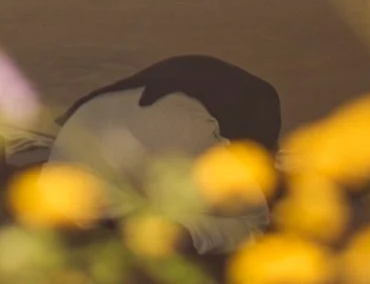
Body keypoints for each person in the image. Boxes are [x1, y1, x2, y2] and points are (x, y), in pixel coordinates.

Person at [49, 56, 283, 256]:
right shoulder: (260, 101)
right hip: (170, 130)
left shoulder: (223, 89)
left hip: (81, 125)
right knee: (253, 221)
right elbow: (255, 190)